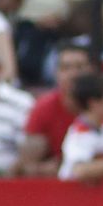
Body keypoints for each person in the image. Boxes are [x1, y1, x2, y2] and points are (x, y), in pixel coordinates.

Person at [18, 41, 93, 174]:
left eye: (80, 67)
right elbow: (27, 166)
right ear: (56, 73)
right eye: (66, 68)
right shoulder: (43, 109)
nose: (73, 74)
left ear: (92, 70)